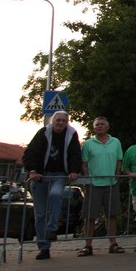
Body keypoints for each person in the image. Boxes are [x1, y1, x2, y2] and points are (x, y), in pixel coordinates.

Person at [22, 111, 82, 260]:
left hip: (59, 174)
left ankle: (52, 228)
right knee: (40, 214)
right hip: (40, 175)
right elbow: (31, 152)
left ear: (67, 122)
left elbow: (75, 153)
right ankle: (44, 247)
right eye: (58, 120)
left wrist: (74, 170)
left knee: (56, 194)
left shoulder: (71, 134)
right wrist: (33, 170)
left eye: (63, 121)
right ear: (53, 121)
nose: (60, 123)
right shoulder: (43, 133)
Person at [78, 116, 125, 257]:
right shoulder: (88, 144)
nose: (99, 126)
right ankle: (88, 245)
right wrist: (87, 180)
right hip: (94, 184)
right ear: (94, 128)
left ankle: (113, 243)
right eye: (97, 124)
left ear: (107, 127)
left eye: (102, 124)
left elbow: (119, 161)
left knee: (112, 214)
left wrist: (117, 176)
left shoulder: (115, 142)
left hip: (111, 183)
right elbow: (84, 164)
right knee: (90, 216)